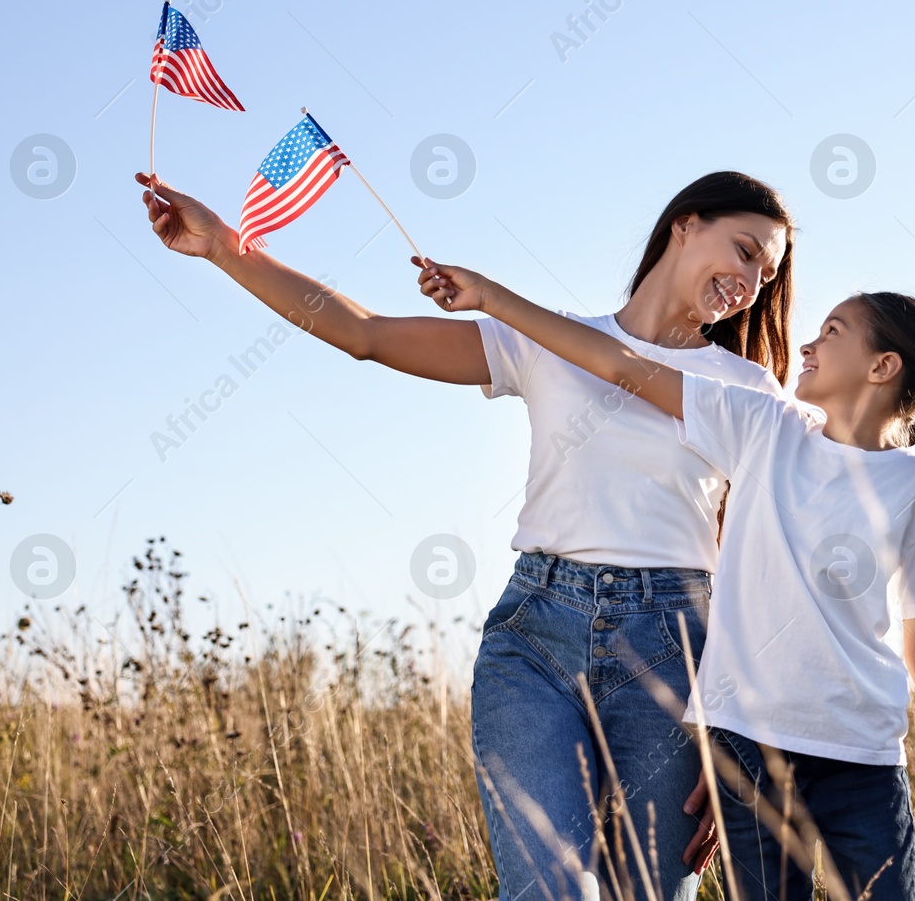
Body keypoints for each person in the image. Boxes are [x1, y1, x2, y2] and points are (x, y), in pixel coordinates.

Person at [134, 169, 795, 901]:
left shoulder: (749, 392)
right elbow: (366, 335)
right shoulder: (550, 341)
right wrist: (223, 247)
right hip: (537, 637)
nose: (751, 280)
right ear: (686, 224)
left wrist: (738, 734)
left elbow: (752, 571)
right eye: (743, 250)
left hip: (675, 650)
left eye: (766, 272)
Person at [415, 260, 915, 900]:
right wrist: (492, 299)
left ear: (881, 367)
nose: (808, 343)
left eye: (833, 332)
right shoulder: (762, 427)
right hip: (746, 755)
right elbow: (618, 364)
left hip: (861, 761)